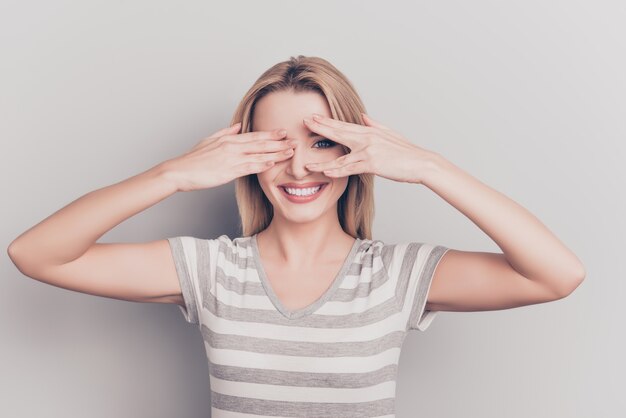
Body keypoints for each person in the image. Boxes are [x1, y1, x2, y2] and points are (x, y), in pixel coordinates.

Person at [8, 55, 586, 417]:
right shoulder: (214, 270)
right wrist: (174, 174)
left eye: (321, 143)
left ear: (356, 153)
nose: (300, 168)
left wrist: (429, 167)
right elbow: (34, 254)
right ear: (245, 156)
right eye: (276, 146)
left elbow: (557, 274)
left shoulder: (394, 275)